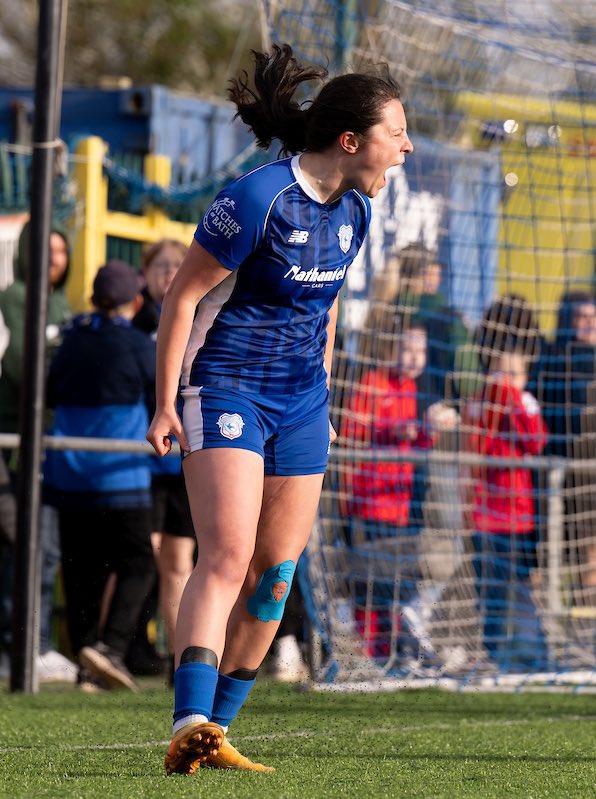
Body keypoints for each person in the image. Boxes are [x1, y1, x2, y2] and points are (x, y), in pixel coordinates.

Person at [146, 42, 413, 775]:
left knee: (275, 573)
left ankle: (214, 735)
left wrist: (320, 398)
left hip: (301, 404)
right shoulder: (258, 198)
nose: (407, 146)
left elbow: (321, 312)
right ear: (351, 140)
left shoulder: (355, 213)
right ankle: (188, 716)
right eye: (398, 132)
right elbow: (182, 296)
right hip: (226, 387)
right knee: (228, 554)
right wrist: (166, 404)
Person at [43, 259, 157, 691]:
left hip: (69, 473)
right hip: (121, 475)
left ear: (92, 298)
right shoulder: (140, 346)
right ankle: (109, 648)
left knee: (80, 568)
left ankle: (85, 658)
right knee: (139, 562)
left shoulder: (71, 341)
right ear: (137, 301)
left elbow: (51, 392)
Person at [340, 315, 457, 663]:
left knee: (398, 577)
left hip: (404, 500)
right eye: (407, 349)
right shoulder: (372, 384)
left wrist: (430, 431)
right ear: (390, 348)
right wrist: (397, 430)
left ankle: (395, 648)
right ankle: (369, 648)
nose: (413, 357)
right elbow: (352, 434)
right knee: (369, 578)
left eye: (420, 350)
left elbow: (417, 444)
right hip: (371, 499)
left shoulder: (417, 391)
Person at [0, 221, 76, 683]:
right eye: (45, 249)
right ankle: (20, 647)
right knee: (21, 546)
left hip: (54, 442)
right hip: (14, 443)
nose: (54, 259)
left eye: (61, 251)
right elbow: (19, 367)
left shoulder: (66, 304)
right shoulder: (14, 297)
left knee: (45, 551)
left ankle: (38, 643)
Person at [132, 239, 196, 679]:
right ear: (146, 275)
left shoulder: (199, 318)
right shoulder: (134, 326)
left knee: (179, 563)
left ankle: (181, 659)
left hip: (185, 463)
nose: (169, 273)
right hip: (142, 465)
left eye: (178, 264)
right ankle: (129, 648)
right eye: (161, 266)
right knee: (143, 560)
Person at [462, 350, 549, 671]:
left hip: (519, 515)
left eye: (514, 375)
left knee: (524, 584)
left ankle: (534, 648)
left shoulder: (525, 403)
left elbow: (536, 441)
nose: (507, 381)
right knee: (490, 589)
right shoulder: (479, 403)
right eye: (502, 373)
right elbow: (475, 445)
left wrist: (512, 402)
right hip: (486, 514)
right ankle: (492, 651)